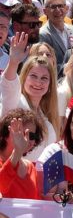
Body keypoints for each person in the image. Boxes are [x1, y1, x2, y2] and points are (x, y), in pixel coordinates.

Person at [1, 33, 59, 161]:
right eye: (33, 76)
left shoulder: (45, 114)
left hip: (36, 177)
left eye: (44, 78)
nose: (38, 82)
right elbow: (8, 85)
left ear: (50, 85)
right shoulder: (16, 101)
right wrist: (13, 62)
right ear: (24, 77)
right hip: (11, 175)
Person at [0, 109, 44, 199]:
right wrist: (17, 152)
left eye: (31, 136)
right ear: (5, 135)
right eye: (20, 133)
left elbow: (36, 203)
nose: (26, 139)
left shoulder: (30, 167)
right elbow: (2, 185)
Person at [39, 0, 73, 74]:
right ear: (45, 11)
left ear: (67, 8)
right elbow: (44, 64)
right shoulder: (43, 34)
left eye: (60, 6)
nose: (57, 10)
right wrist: (70, 66)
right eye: (53, 7)